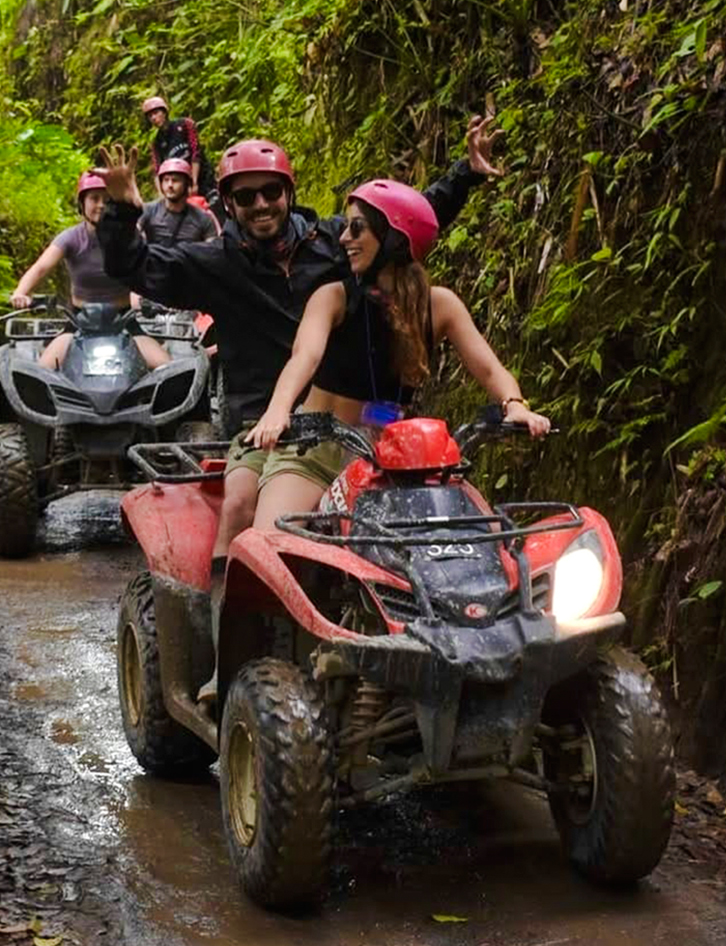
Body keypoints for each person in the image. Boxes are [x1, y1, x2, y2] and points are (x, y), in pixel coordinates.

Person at [93, 114, 505, 700]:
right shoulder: (215, 263)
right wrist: (121, 210)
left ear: (289, 193)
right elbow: (134, 266)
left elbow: (405, 224)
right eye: (245, 196)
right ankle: (229, 661)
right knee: (240, 506)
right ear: (228, 204)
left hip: (362, 428)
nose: (260, 204)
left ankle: (433, 652)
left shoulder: (337, 246)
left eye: (270, 192)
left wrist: (466, 173)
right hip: (262, 421)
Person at [244, 179, 549, 529]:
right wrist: (278, 411)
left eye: (357, 228)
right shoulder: (333, 297)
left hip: (395, 460)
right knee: (271, 542)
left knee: (483, 537)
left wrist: (514, 406)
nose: (344, 239)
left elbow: (492, 371)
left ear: (392, 238)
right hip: (313, 452)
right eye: (345, 228)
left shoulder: (440, 305)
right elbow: (304, 357)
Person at [8, 171, 169, 372]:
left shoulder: (130, 236)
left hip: (124, 321)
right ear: (82, 204)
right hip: (79, 322)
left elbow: (150, 266)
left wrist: (159, 296)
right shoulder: (70, 238)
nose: (101, 205)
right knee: (42, 373)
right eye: (94, 198)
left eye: (107, 200)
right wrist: (21, 292)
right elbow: (40, 268)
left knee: (166, 368)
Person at [142, 96, 215, 197]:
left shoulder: (185, 124)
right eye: (150, 116)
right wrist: (162, 194)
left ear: (164, 112)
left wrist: (194, 182)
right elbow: (157, 169)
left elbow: (196, 152)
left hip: (202, 178)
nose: (154, 118)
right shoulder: (157, 143)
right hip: (180, 188)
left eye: (156, 113)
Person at [140, 158, 220, 247]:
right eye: (166, 180)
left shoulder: (203, 219)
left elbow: (213, 252)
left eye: (175, 180)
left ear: (186, 184)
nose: (170, 185)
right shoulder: (148, 211)